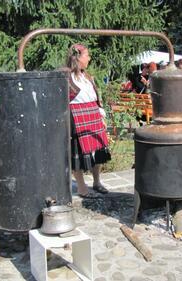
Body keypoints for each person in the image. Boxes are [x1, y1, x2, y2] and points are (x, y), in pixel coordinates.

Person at [66, 43, 111, 198]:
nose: (89, 58)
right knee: (77, 153)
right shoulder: (66, 77)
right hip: (77, 116)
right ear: (78, 58)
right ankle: (81, 187)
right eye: (87, 55)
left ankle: (97, 182)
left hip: (92, 113)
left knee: (98, 150)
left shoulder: (87, 76)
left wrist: (100, 113)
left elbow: (95, 97)